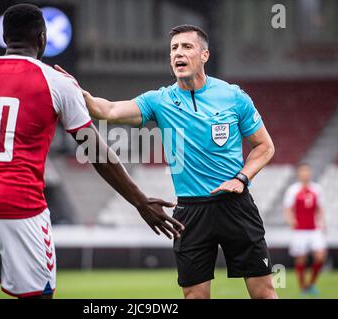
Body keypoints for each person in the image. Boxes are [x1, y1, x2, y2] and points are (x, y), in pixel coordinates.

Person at [0, 4, 183, 299]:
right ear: (43, 38)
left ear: (5, 37)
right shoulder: (57, 82)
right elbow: (95, 151)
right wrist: (140, 201)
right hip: (18, 206)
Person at [58, 24, 277, 299]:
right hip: (190, 211)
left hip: (236, 206)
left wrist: (241, 179)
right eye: (174, 48)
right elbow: (109, 110)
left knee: (264, 294)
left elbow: (264, 147)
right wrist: (83, 96)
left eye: (186, 47)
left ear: (204, 55)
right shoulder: (159, 100)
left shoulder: (233, 96)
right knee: (194, 297)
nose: (178, 53)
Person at [283, 163, 327, 296]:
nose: (305, 174)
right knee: (301, 258)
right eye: (302, 172)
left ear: (310, 173)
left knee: (320, 256)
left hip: (314, 229)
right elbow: (287, 208)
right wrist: (291, 220)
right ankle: (302, 286)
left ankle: (311, 284)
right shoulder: (293, 190)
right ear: (299, 174)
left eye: (307, 171)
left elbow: (320, 207)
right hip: (299, 230)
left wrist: (323, 222)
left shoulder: (317, 189)